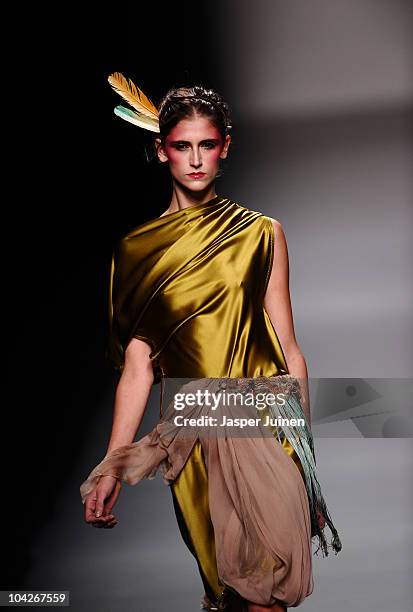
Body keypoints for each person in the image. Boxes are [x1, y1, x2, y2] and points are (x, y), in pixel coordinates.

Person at [80, 75, 342, 612]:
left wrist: (307, 459)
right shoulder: (136, 251)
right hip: (192, 436)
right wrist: (112, 465)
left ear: (226, 146)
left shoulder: (261, 233)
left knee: (265, 593)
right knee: (225, 592)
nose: (195, 160)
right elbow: (137, 369)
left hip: (262, 422)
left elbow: (289, 347)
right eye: (182, 146)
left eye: (207, 144)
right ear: (161, 150)